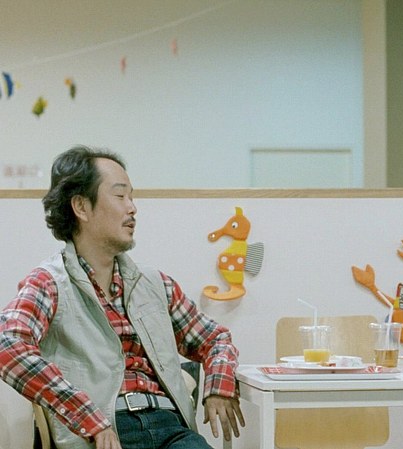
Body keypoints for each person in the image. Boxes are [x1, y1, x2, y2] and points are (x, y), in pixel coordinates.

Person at [0, 146, 245, 449]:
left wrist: (219, 385)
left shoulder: (156, 284)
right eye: (120, 196)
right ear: (81, 207)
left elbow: (216, 339)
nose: (132, 208)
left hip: (171, 428)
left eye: (132, 197)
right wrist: (86, 416)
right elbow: (7, 345)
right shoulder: (49, 283)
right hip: (104, 434)